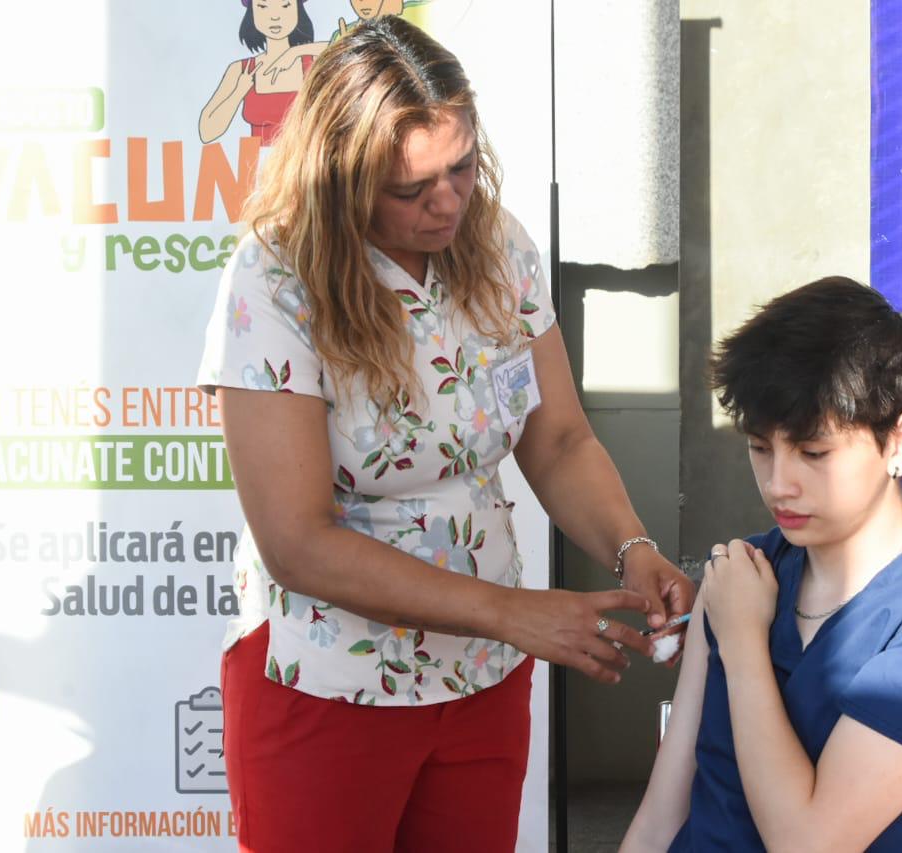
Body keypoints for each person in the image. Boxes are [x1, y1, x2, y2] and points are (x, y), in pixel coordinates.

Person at [197, 17, 692, 852]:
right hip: (326, 682)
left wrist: (631, 545)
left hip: (482, 681)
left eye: (462, 167)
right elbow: (297, 542)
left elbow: (560, 440)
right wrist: (513, 613)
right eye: (410, 186)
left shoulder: (499, 247)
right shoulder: (274, 278)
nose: (448, 200)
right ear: (340, 177)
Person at [623, 278, 902, 852]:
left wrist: (742, 643)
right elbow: (662, 814)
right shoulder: (743, 573)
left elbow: (809, 843)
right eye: (760, 448)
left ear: (901, 443)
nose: (778, 483)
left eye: (814, 453)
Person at [198, 0, 320, 146]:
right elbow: (207, 132)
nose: (275, 16)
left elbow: (340, 47)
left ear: (298, 9)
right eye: (263, 6)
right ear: (252, 12)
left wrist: (294, 52)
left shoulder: (313, 63)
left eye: (285, 5)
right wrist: (238, 92)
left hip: (302, 164)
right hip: (257, 165)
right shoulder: (241, 69)